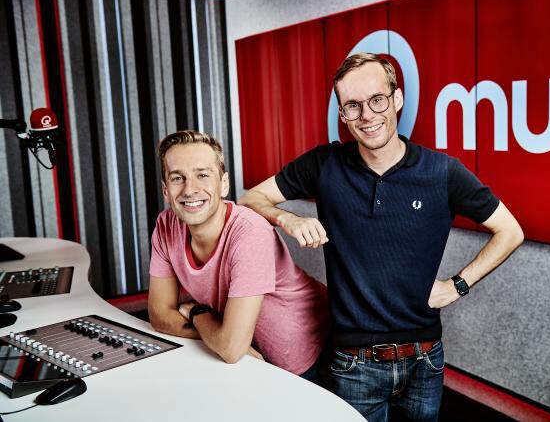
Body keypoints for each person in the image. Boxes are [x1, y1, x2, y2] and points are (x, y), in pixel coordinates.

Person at [238, 53, 524, 421]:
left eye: (377, 100)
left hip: (425, 359)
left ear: (397, 98)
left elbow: (510, 231)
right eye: (353, 106)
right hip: (353, 363)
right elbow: (251, 198)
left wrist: (457, 286)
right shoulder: (324, 165)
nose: (367, 115)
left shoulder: (441, 172)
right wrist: (288, 218)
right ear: (342, 114)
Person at [148, 130, 329, 380]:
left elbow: (231, 348)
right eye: (178, 178)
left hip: (307, 355)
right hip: (247, 357)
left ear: (224, 184)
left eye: (202, 175)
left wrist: (197, 314)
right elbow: (159, 315)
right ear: (166, 190)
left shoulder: (250, 232)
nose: (190, 190)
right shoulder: (166, 225)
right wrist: (220, 337)